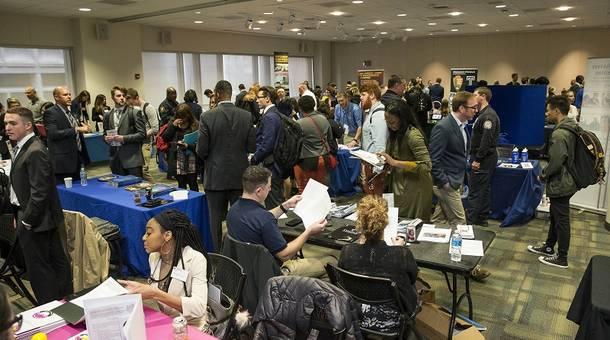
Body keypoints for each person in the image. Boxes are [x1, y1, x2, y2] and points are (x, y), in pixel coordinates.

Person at [6, 107, 72, 304]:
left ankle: (51, 310)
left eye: (13, 123)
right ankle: (57, 305)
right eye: (6, 123)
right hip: (29, 216)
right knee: (46, 266)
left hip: (37, 221)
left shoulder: (35, 150)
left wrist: (27, 220)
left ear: (27, 125)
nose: (7, 128)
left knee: (41, 270)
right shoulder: (23, 146)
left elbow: (39, 193)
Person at [226, 165, 334, 277]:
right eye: (269, 187)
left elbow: (260, 219)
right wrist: (308, 232)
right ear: (259, 191)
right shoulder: (264, 220)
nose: (270, 189)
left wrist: (284, 206)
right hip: (271, 275)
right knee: (330, 262)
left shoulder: (233, 210)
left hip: (245, 270)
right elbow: (285, 254)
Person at [338, 195, 419, 333]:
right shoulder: (401, 254)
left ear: (359, 223)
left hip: (354, 315)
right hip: (391, 320)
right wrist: (399, 248)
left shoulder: (347, 252)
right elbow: (412, 278)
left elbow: (343, 280)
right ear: (385, 223)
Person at [119, 210, 209, 330]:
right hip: (167, 322)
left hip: (192, 326)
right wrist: (139, 289)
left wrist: (154, 293)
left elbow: (199, 307)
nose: (143, 238)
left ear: (167, 235)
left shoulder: (195, 259)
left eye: (149, 233)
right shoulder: (154, 257)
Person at [197, 80, 256, 251]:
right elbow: (252, 147)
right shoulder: (246, 116)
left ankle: (218, 258)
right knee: (241, 219)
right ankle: (241, 253)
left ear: (216, 94)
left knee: (215, 222)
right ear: (230, 93)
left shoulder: (207, 116)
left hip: (215, 177)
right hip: (240, 175)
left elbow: (202, 150)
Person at [528, 95, 578, 269]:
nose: (546, 113)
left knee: (561, 220)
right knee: (556, 217)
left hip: (561, 182)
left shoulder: (559, 133)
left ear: (557, 110)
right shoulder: (573, 128)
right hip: (568, 180)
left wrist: (543, 174)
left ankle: (562, 257)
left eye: (548, 110)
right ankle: (549, 247)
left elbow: (556, 161)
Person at [378, 101, 432, 221]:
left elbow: (426, 165)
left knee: (411, 221)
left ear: (402, 119)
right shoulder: (395, 133)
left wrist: (394, 162)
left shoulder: (413, 135)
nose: (389, 125)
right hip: (399, 182)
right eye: (387, 122)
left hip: (415, 186)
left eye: (392, 122)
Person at [467, 87, 500, 227]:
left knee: (476, 190)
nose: (473, 98)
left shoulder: (488, 116)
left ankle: (471, 222)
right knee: (484, 189)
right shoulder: (482, 114)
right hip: (484, 157)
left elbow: (486, 140)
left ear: (483, 96)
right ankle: (481, 218)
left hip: (484, 158)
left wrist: (478, 159)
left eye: (475, 95)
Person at [44, 86, 90, 184]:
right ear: (56, 97)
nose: (69, 97)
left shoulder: (70, 113)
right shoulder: (51, 112)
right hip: (63, 163)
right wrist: (76, 129)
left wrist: (82, 129)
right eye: (65, 95)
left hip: (77, 158)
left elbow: (75, 132)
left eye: (69, 94)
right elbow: (53, 134)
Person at [251, 86, 284, 208]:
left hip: (271, 164)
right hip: (274, 162)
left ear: (268, 98)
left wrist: (254, 158)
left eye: (259, 98)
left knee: (274, 203)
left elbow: (267, 144)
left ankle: (276, 226)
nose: (257, 101)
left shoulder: (270, 117)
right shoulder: (274, 113)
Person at [294, 95, 335, 192]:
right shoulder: (324, 119)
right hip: (324, 158)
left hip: (307, 160)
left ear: (300, 108)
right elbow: (330, 138)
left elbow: (295, 143)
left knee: (307, 190)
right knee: (322, 188)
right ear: (314, 105)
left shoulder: (299, 124)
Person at [103, 86, 146, 177]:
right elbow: (105, 133)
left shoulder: (134, 112)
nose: (122, 98)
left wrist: (123, 138)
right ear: (112, 98)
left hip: (132, 159)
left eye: (123, 95)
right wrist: (106, 139)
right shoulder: (108, 115)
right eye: (118, 96)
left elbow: (142, 134)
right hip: (115, 159)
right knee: (119, 190)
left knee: (136, 188)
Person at [163, 104, 199, 191]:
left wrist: (188, 145)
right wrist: (172, 126)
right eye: (180, 116)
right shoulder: (173, 123)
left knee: (193, 183)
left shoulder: (195, 124)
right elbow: (165, 138)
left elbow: (199, 144)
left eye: (184, 117)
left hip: (192, 158)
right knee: (181, 184)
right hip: (178, 158)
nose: (182, 119)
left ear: (188, 115)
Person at [126, 88, 159, 183]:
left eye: (132, 103)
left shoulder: (148, 108)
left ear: (136, 98)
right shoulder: (133, 110)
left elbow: (155, 128)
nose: (131, 106)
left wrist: (142, 135)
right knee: (137, 170)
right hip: (136, 143)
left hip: (146, 143)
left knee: (144, 170)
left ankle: (154, 189)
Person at [357, 83, 386, 153]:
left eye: (363, 95)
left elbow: (380, 146)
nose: (360, 97)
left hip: (373, 161)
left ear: (372, 95)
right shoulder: (371, 112)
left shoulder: (378, 115)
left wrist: (374, 162)